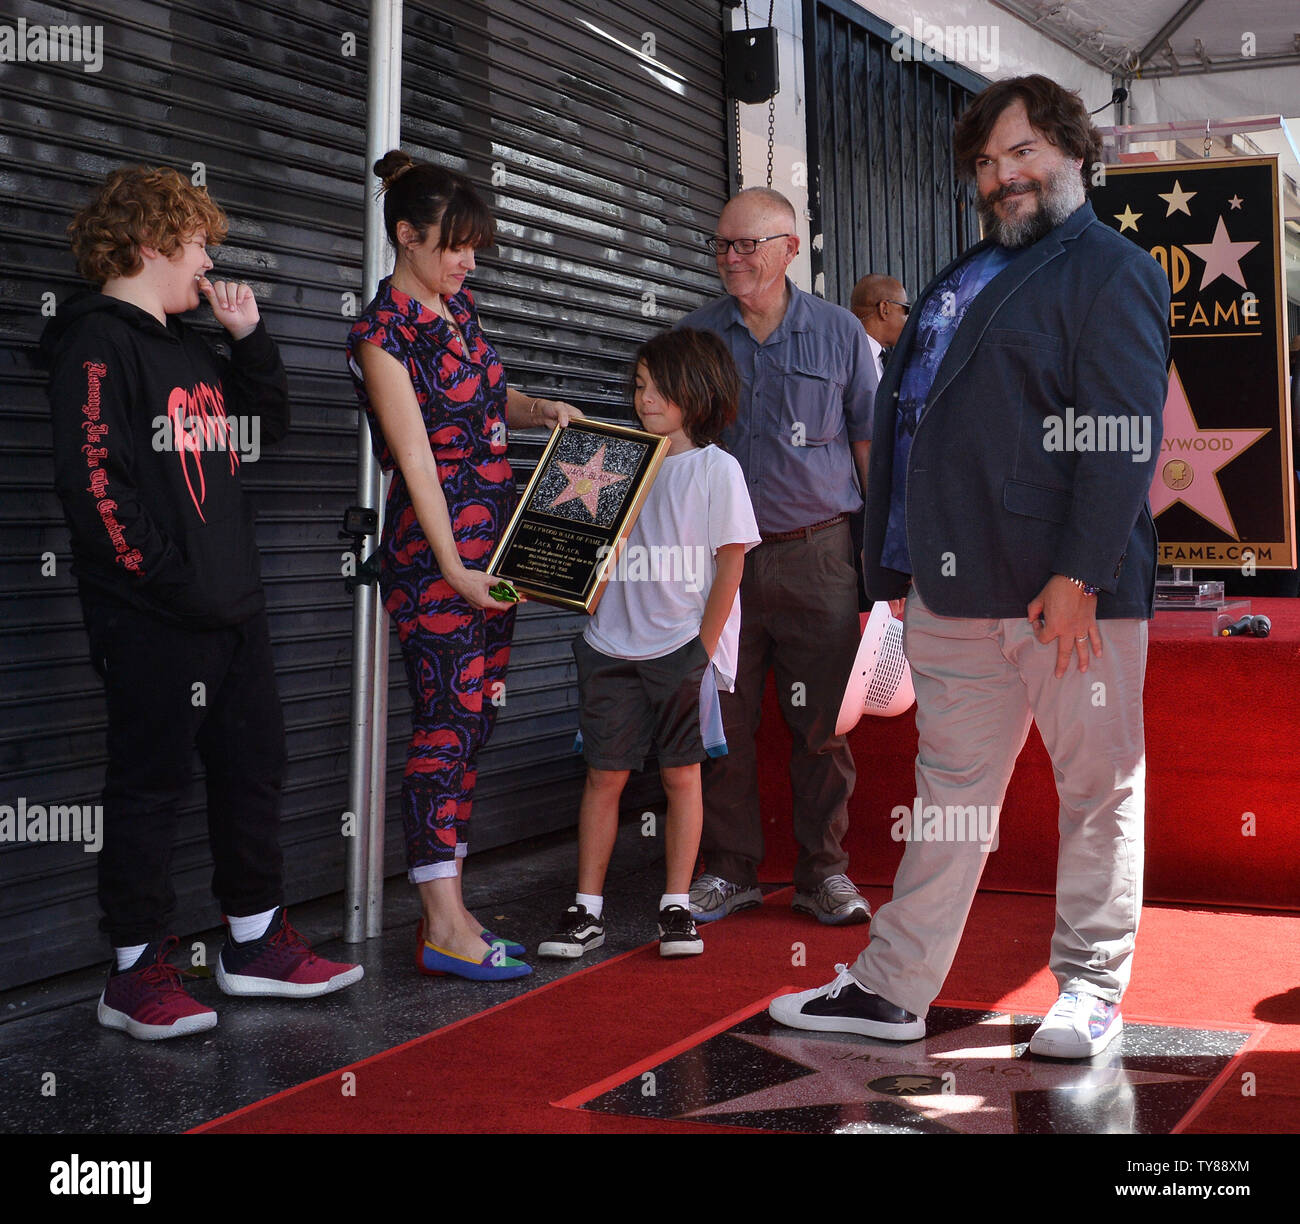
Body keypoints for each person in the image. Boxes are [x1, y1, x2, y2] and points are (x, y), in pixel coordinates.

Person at [770, 75, 1170, 1058]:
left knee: (1099, 792)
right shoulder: (963, 273)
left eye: (1023, 151)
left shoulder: (1110, 269)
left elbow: (1122, 432)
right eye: (987, 162)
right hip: (951, 586)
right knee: (948, 801)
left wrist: (1081, 574)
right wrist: (894, 568)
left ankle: (1088, 991)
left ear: (1074, 153)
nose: (1003, 175)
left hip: (1063, 594)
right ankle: (893, 988)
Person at [41, 166, 362, 1041]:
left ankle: (252, 944)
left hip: (234, 608)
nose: (209, 260)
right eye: (196, 244)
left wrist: (250, 339)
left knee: (252, 768)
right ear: (150, 245)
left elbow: (266, 432)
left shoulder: (193, 347)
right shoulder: (95, 345)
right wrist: (170, 580)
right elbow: (94, 485)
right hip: (150, 613)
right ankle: (133, 974)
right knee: (148, 789)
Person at [347, 150, 580, 982]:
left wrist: (537, 407)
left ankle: (454, 907)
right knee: (443, 729)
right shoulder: (381, 335)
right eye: (453, 246)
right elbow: (414, 459)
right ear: (405, 237)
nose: (467, 262)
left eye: (474, 247)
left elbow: (486, 396)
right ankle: (441, 920)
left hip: (497, 551)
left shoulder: (458, 310)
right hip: (436, 561)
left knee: (475, 723)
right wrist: (451, 568)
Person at [678, 188, 877, 926]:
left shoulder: (839, 334)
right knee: (720, 720)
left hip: (816, 555)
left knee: (823, 726)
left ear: (791, 248)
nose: (731, 258)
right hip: (718, 563)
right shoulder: (697, 337)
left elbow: (867, 445)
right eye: (722, 245)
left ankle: (824, 873)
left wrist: (882, 561)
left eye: (747, 245)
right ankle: (730, 871)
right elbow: (672, 451)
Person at [537, 329, 760, 960]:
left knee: (682, 776)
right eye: (639, 386)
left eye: (660, 387)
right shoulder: (611, 461)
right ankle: (586, 908)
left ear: (700, 390)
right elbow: (584, 554)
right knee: (603, 777)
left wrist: (702, 649)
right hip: (608, 644)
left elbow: (732, 565)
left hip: (680, 651)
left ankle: (676, 906)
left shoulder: (719, 469)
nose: (646, 398)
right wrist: (538, 579)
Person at [849, 274, 910, 382]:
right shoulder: (846, 359)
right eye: (906, 309)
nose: (908, 318)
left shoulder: (887, 361)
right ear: (884, 309)